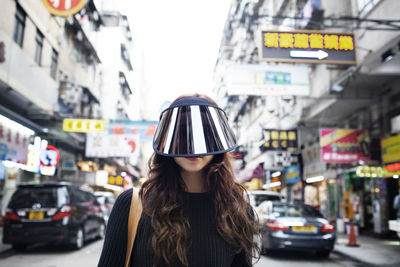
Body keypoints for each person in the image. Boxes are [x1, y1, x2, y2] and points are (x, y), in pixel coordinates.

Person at [98, 94, 259, 267]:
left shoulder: (238, 211)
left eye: (205, 133)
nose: (193, 144)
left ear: (217, 141)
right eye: (183, 132)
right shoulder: (131, 205)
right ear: (167, 139)